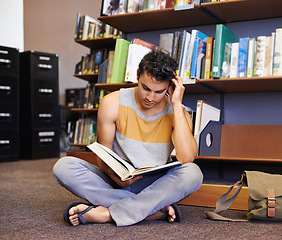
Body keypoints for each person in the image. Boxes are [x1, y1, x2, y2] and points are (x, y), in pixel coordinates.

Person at [53, 50, 203, 227]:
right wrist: (111, 173)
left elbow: (186, 158)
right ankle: (151, 210)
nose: (150, 97)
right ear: (137, 76)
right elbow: (104, 155)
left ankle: (108, 213)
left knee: (193, 173)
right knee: (63, 166)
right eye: (145, 87)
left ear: (170, 86)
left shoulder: (178, 111)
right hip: (117, 181)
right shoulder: (112, 102)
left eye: (159, 92)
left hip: (154, 184)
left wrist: (176, 104)